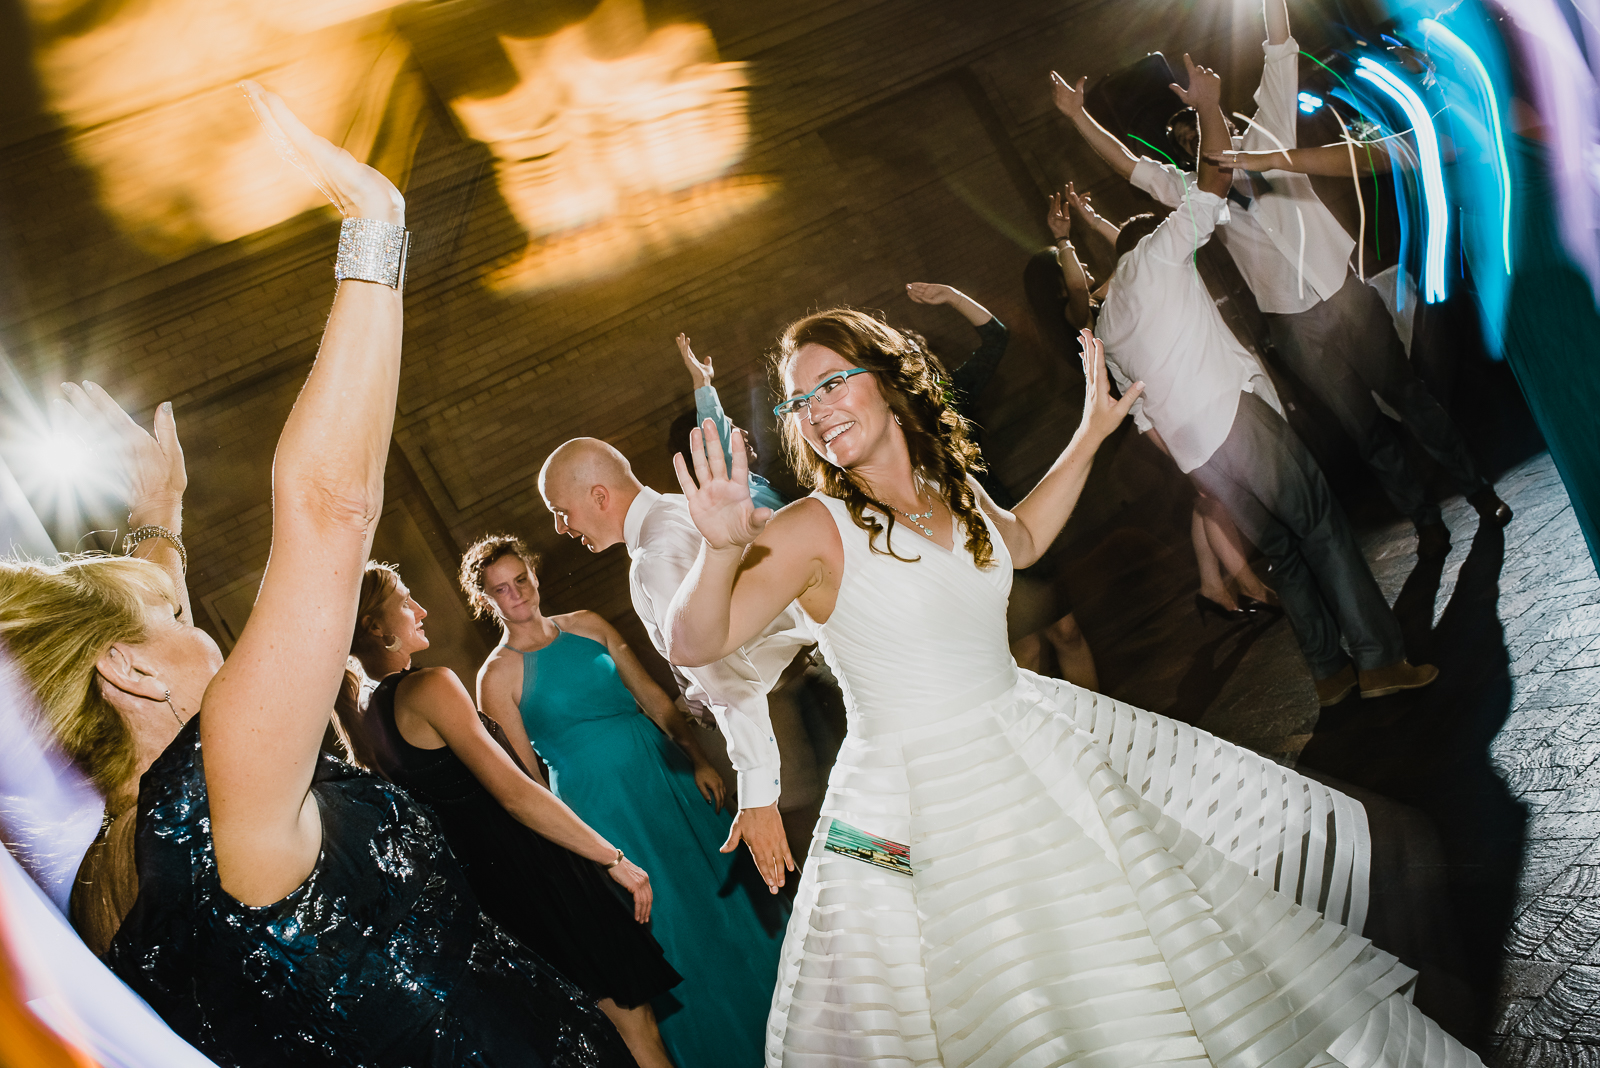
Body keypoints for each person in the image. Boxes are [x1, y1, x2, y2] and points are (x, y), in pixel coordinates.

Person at [663, 305, 1481, 1067]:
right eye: (801, 400)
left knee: (1136, 960)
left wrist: (1091, 434)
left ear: (891, 377)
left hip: (1033, 746)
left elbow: (1017, 539)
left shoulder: (949, 489)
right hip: (909, 807)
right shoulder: (813, 527)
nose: (817, 408)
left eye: (833, 381)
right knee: (1012, 1000)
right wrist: (721, 548)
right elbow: (697, 641)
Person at [11, 85, 634, 1065]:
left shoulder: (100, 890)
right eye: (164, 609)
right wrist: (373, 227)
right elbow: (330, 508)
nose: (186, 602)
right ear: (129, 674)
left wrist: (155, 524)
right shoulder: (227, 784)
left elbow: (129, 622)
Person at [1051, 0, 1512, 558]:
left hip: (1343, 294)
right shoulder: (1192, 191)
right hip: (1292, 325)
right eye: (1183, 141)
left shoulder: (1270, 129)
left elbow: (1279, 44)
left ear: (1216, 117)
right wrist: (1078, 118)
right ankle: (1426, 525)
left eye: (1194, 127)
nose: (1192, 142)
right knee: (1364, 431)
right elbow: (1129, 165)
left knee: (1410, 397)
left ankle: (1478, 492)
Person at [1075, 56, 1435, 705]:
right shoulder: (1161, 253)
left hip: (1201, 458)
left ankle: (1328, 676)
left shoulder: (1108, 320)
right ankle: (1379, 661)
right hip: (1235, 422)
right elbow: (1210, 188)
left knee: (1283, 554)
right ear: (1151, 238)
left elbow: (1141, 419)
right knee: (1321, 525)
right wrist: (1210, 107)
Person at [335, 561, 681, 1068]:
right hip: (543, 878)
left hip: (496, 901)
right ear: (377, 628)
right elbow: (515, 793)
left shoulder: (365, 713)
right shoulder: (430, 686)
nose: (422, 609)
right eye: (407, 600)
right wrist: (611, 858)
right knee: (636, 1030)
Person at [466, 535, 785, 1068]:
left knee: (727, 901)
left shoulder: (590, 624)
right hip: (604, 813)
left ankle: (795, 1024)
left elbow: (652, 695)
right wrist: (583, 852)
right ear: (487, 602)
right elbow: (527, 781)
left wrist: (698, 756)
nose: (516, 593)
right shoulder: (495, 677)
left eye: (520, 579)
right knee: (671, 929)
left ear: (534, 575)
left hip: (668, 778)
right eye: (501, 589)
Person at [534, 438, 818, 892]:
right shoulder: (673, 509)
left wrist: (756, 793)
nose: (560, 528)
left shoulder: (654, 558)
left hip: (762, 721)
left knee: (817, 864)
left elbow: (724, 677)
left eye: (560, 511)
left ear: (600, 497)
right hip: (785, 690)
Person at [1049, 185, 1283, 624]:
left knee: (1206, 497)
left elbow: (1134, 248)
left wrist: (1090, 218)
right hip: (1149, 414)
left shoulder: (1117, 288)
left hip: (1158, 406)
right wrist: (1063, 239)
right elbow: (1113, 267)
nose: (1082, 264)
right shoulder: (1083, 311)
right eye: (1071, 266)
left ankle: (1213, 586)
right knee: (1213, 496)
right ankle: (1250, 585)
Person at [907, 280, 1101, 688]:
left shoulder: (950, 400)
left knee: (1067, 632)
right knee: (1026, 651)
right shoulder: (886, 433)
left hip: (1009, 525)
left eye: (913, 359)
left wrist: (951, 296)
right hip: (964, 546)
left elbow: (995, 336)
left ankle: (1101, 733)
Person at [677, 333, 787, 512]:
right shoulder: (733, 486)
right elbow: (715, 432)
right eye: (730, 429)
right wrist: (702, 382)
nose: (743, 432)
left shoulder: (753, 483)